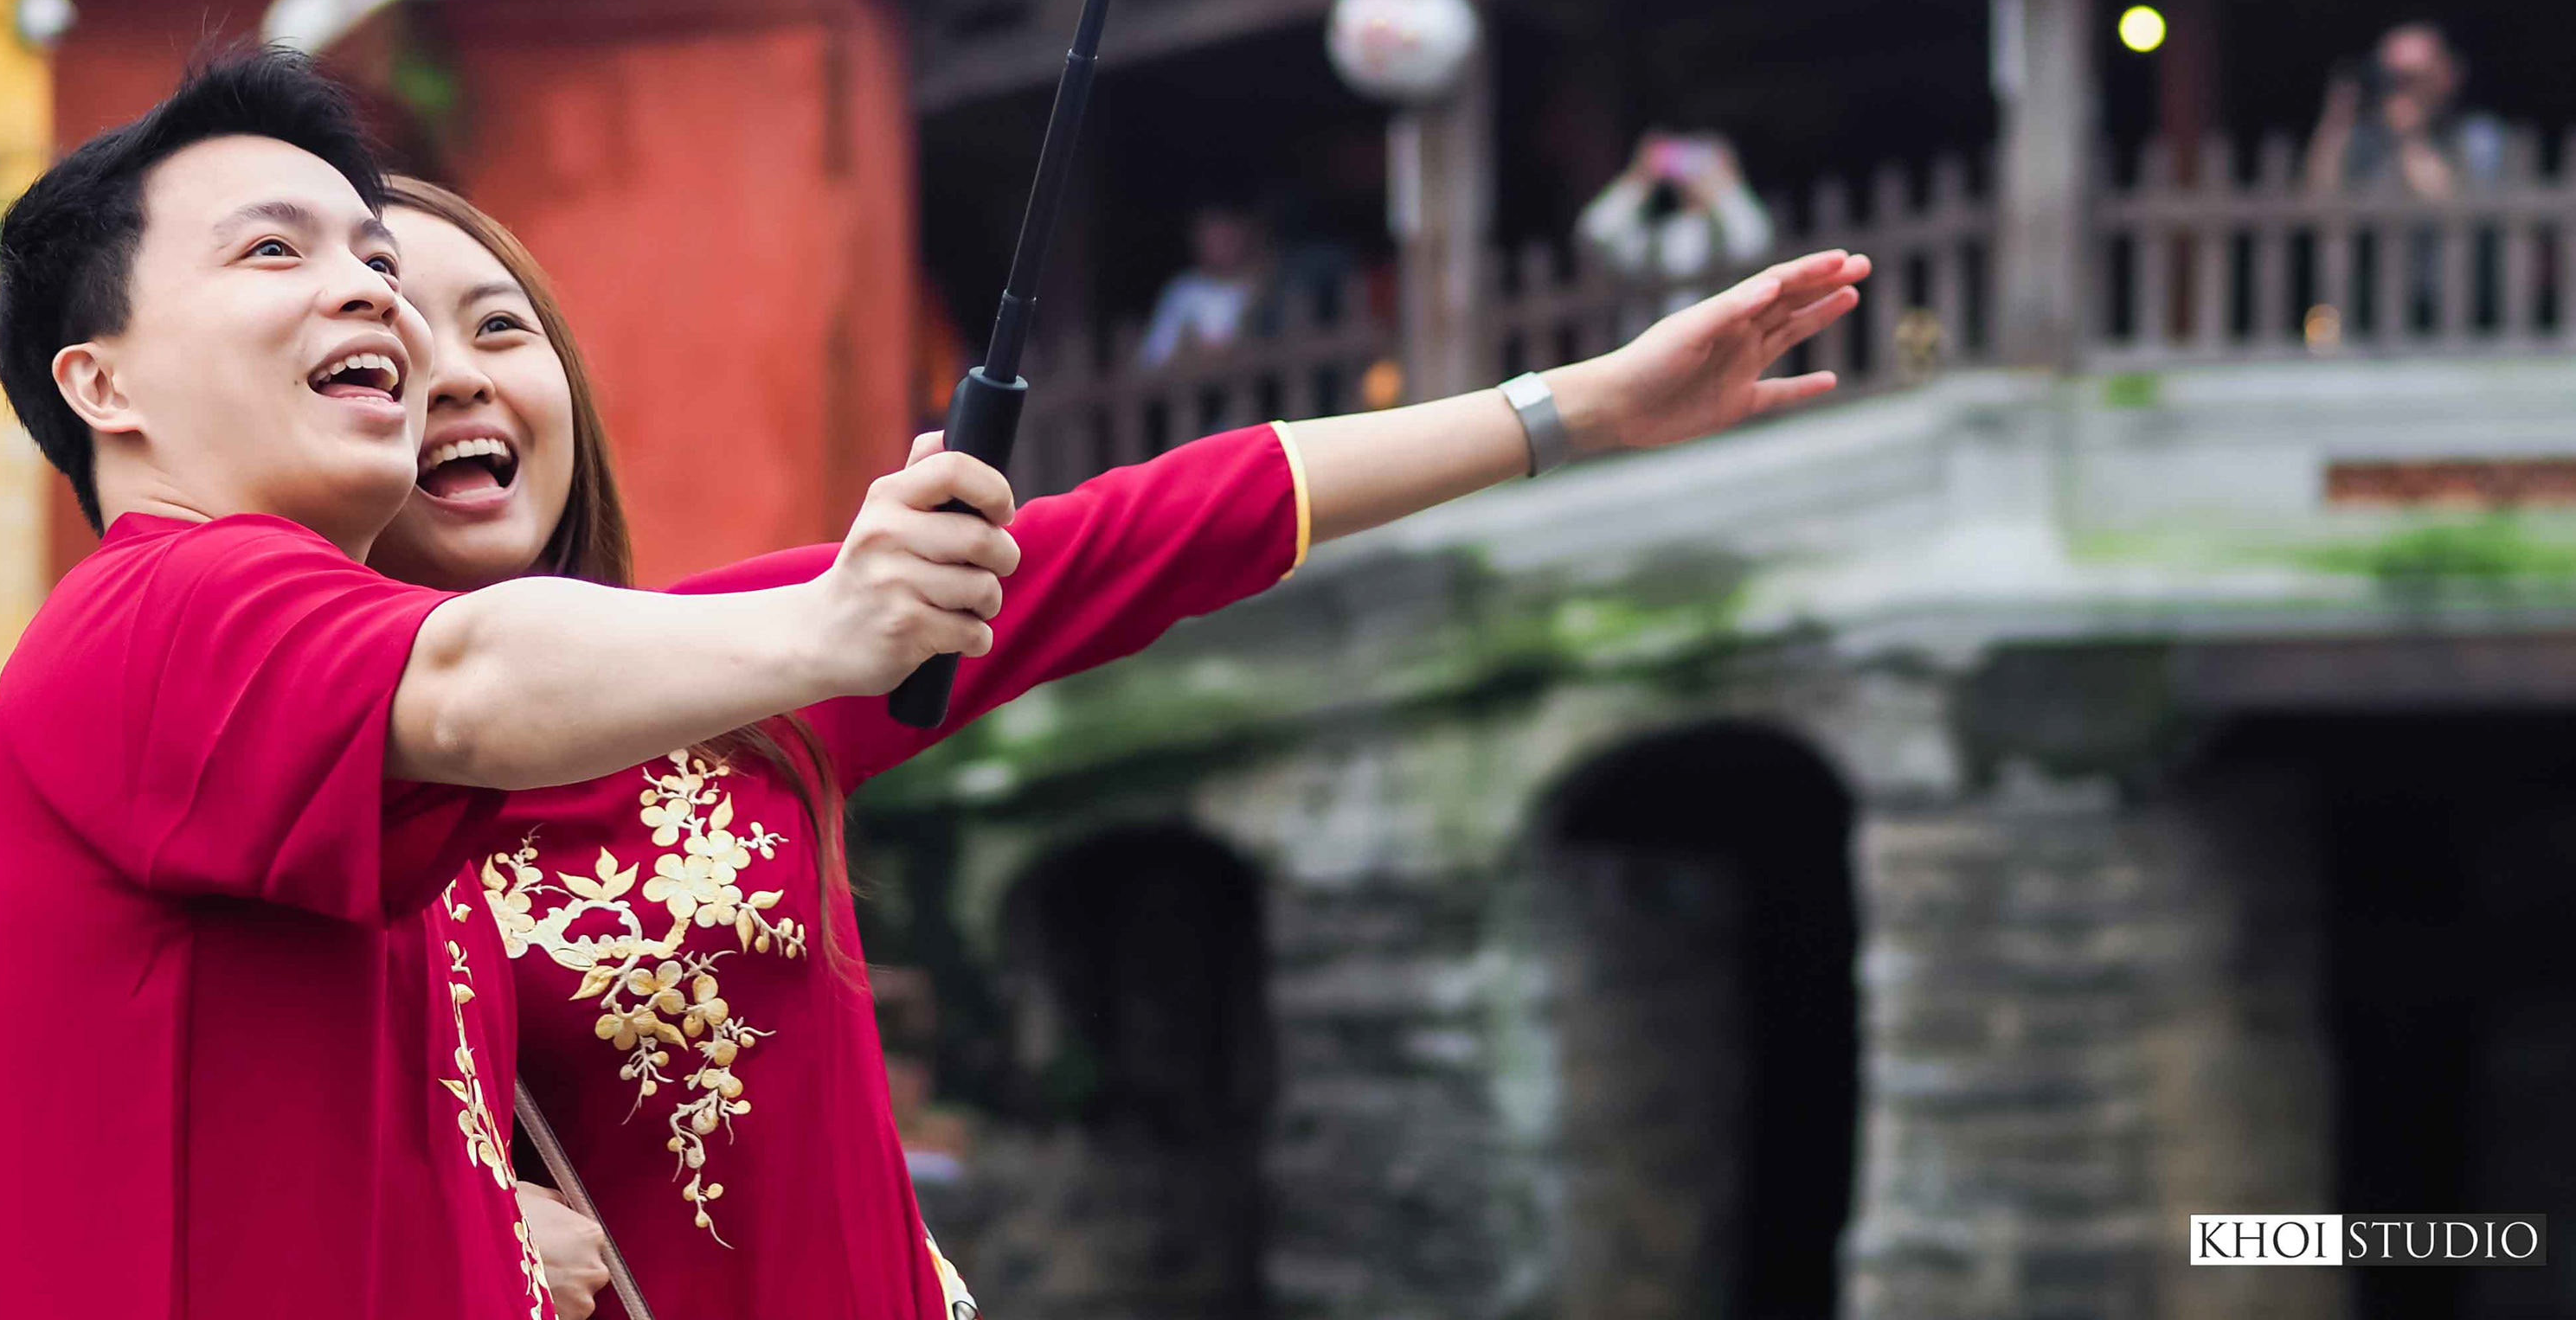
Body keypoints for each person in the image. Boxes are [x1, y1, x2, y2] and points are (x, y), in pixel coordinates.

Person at [367, 175, 1866, 1320]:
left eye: (502, 327)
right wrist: (473, 1213)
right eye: (391, 350)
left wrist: (1588, 405)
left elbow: (1159, 530)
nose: (459, 376)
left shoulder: (758, 655)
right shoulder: (305, 779)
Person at [0, 52, 1022, 1320]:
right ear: (101, 382)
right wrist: (833, 625)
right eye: (274, 254)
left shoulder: (337, 727)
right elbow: (466, 675)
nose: (369, 296)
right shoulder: (156, 606)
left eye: (374, 263)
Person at [1575, 130, 1774, 333]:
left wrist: (1724, 186)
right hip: (1654, 357)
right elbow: (1596, 234)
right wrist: (1640, 178)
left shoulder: (1728, 235)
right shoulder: (1659, 238)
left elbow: (1757, 239)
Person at [2305, 22, 2505, 200]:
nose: (2400, 90)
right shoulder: (2367, 137)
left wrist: (2412, 139)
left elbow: (2453, 208)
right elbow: (2318, 196)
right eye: (2391, 77)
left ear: (2448, 74)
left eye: (2413, 78)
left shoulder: (2478, 136)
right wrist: (2338, 118)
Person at [1137, 204, 1269, 364]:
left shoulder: (1259, 285)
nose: (1220, 245)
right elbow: (1156, 355)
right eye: (1211, 237)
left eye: (1226, 236)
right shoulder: (1183, 291)